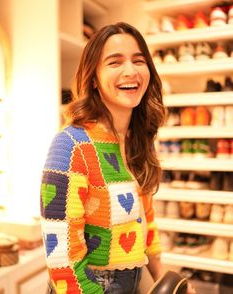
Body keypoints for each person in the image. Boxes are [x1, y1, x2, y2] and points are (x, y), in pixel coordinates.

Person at [40, 22, 195, 294]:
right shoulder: (71, 145)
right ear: (93, 78)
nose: (130, 71)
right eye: (115, 62)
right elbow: (62, 258)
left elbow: (145, 220)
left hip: (131, 281)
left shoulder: (136, 141)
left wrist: (165, 279)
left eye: (139, 60)